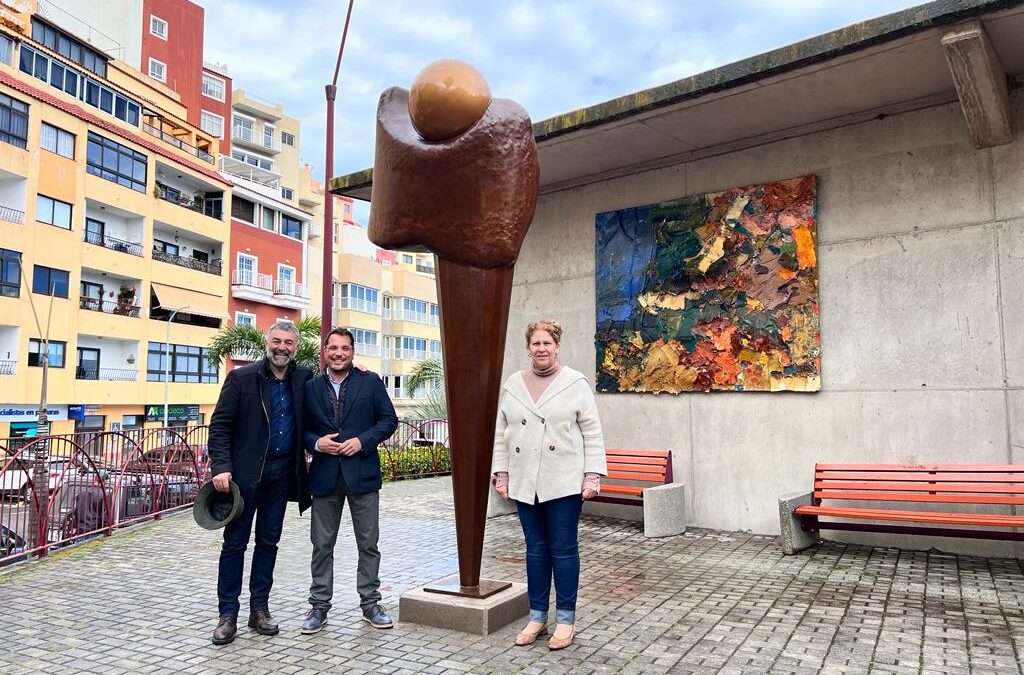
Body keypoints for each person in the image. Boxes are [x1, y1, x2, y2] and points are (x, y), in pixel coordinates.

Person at [492, 320, 606, 651]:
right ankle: (537, 616)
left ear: (557, 346)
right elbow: (502, 432)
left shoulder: (575, 383)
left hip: (564, 482)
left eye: (547, 343)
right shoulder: (514, 384)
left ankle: (566, 620)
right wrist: (502, 473)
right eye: (535, 343)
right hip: (526, 480)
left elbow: (592, 432)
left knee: (564, 549)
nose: (541, 348)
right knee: (535, 550)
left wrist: (592, 475)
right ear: (528, 348)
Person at [207, 320, 314, 645]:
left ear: (295, 347)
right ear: (267, 342)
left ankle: (259, 610)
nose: (282, 347)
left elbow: (333, 384)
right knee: (234, 545)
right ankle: (228, 616)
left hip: (282, 475)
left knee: (268, 543)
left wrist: (360, 370)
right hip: (244, 477)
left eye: (289, 343)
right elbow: (220, 425)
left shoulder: (304, 377)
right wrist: (221, 467)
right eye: (277, 341)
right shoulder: (241, 378)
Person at [300, 327, 399, 634]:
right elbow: (300, 430)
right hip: (324, 476)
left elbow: (389, 420)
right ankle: (319, 606)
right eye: (333, 348)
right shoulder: (311, 387)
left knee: (368, 544)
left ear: (352, 351)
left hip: (363, 475)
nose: (339, 353)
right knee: (322, 545)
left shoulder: (370, 382)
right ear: (325, 351)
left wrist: (362, 441)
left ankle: (370, 603)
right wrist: (317, 444)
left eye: (345, 348)